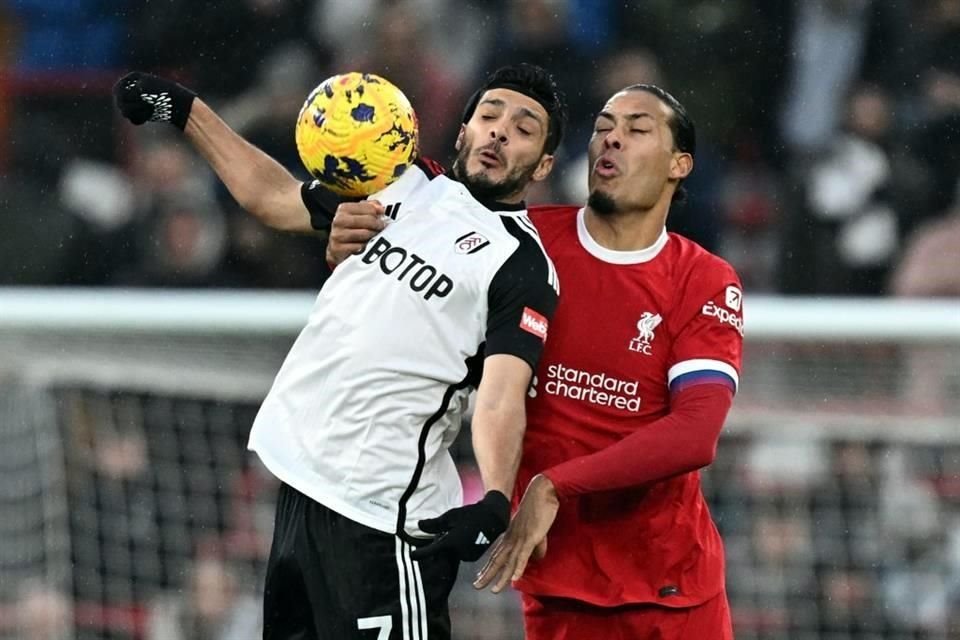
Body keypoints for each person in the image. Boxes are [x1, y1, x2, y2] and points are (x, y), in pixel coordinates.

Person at [113, 63, 567, 640]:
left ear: (545, 164)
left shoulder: (521, 264)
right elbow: (272, 197)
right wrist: (184, 110)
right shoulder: (397, 184)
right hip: (300, 487)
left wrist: (498, 495)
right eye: (490, 115)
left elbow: (502, 393)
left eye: (525, 128)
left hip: (383, 521)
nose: (501, 131)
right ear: (462, 131)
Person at [330, 84, 744, 639]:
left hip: (669, 590)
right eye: (602, 128)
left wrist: (552, 485)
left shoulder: (702, 278)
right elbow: (409, 246)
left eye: (637, 129)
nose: (612, 140)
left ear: (679, 164)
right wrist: (352, 238)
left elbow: (695, 433)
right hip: (555, 584)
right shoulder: (523, 245)